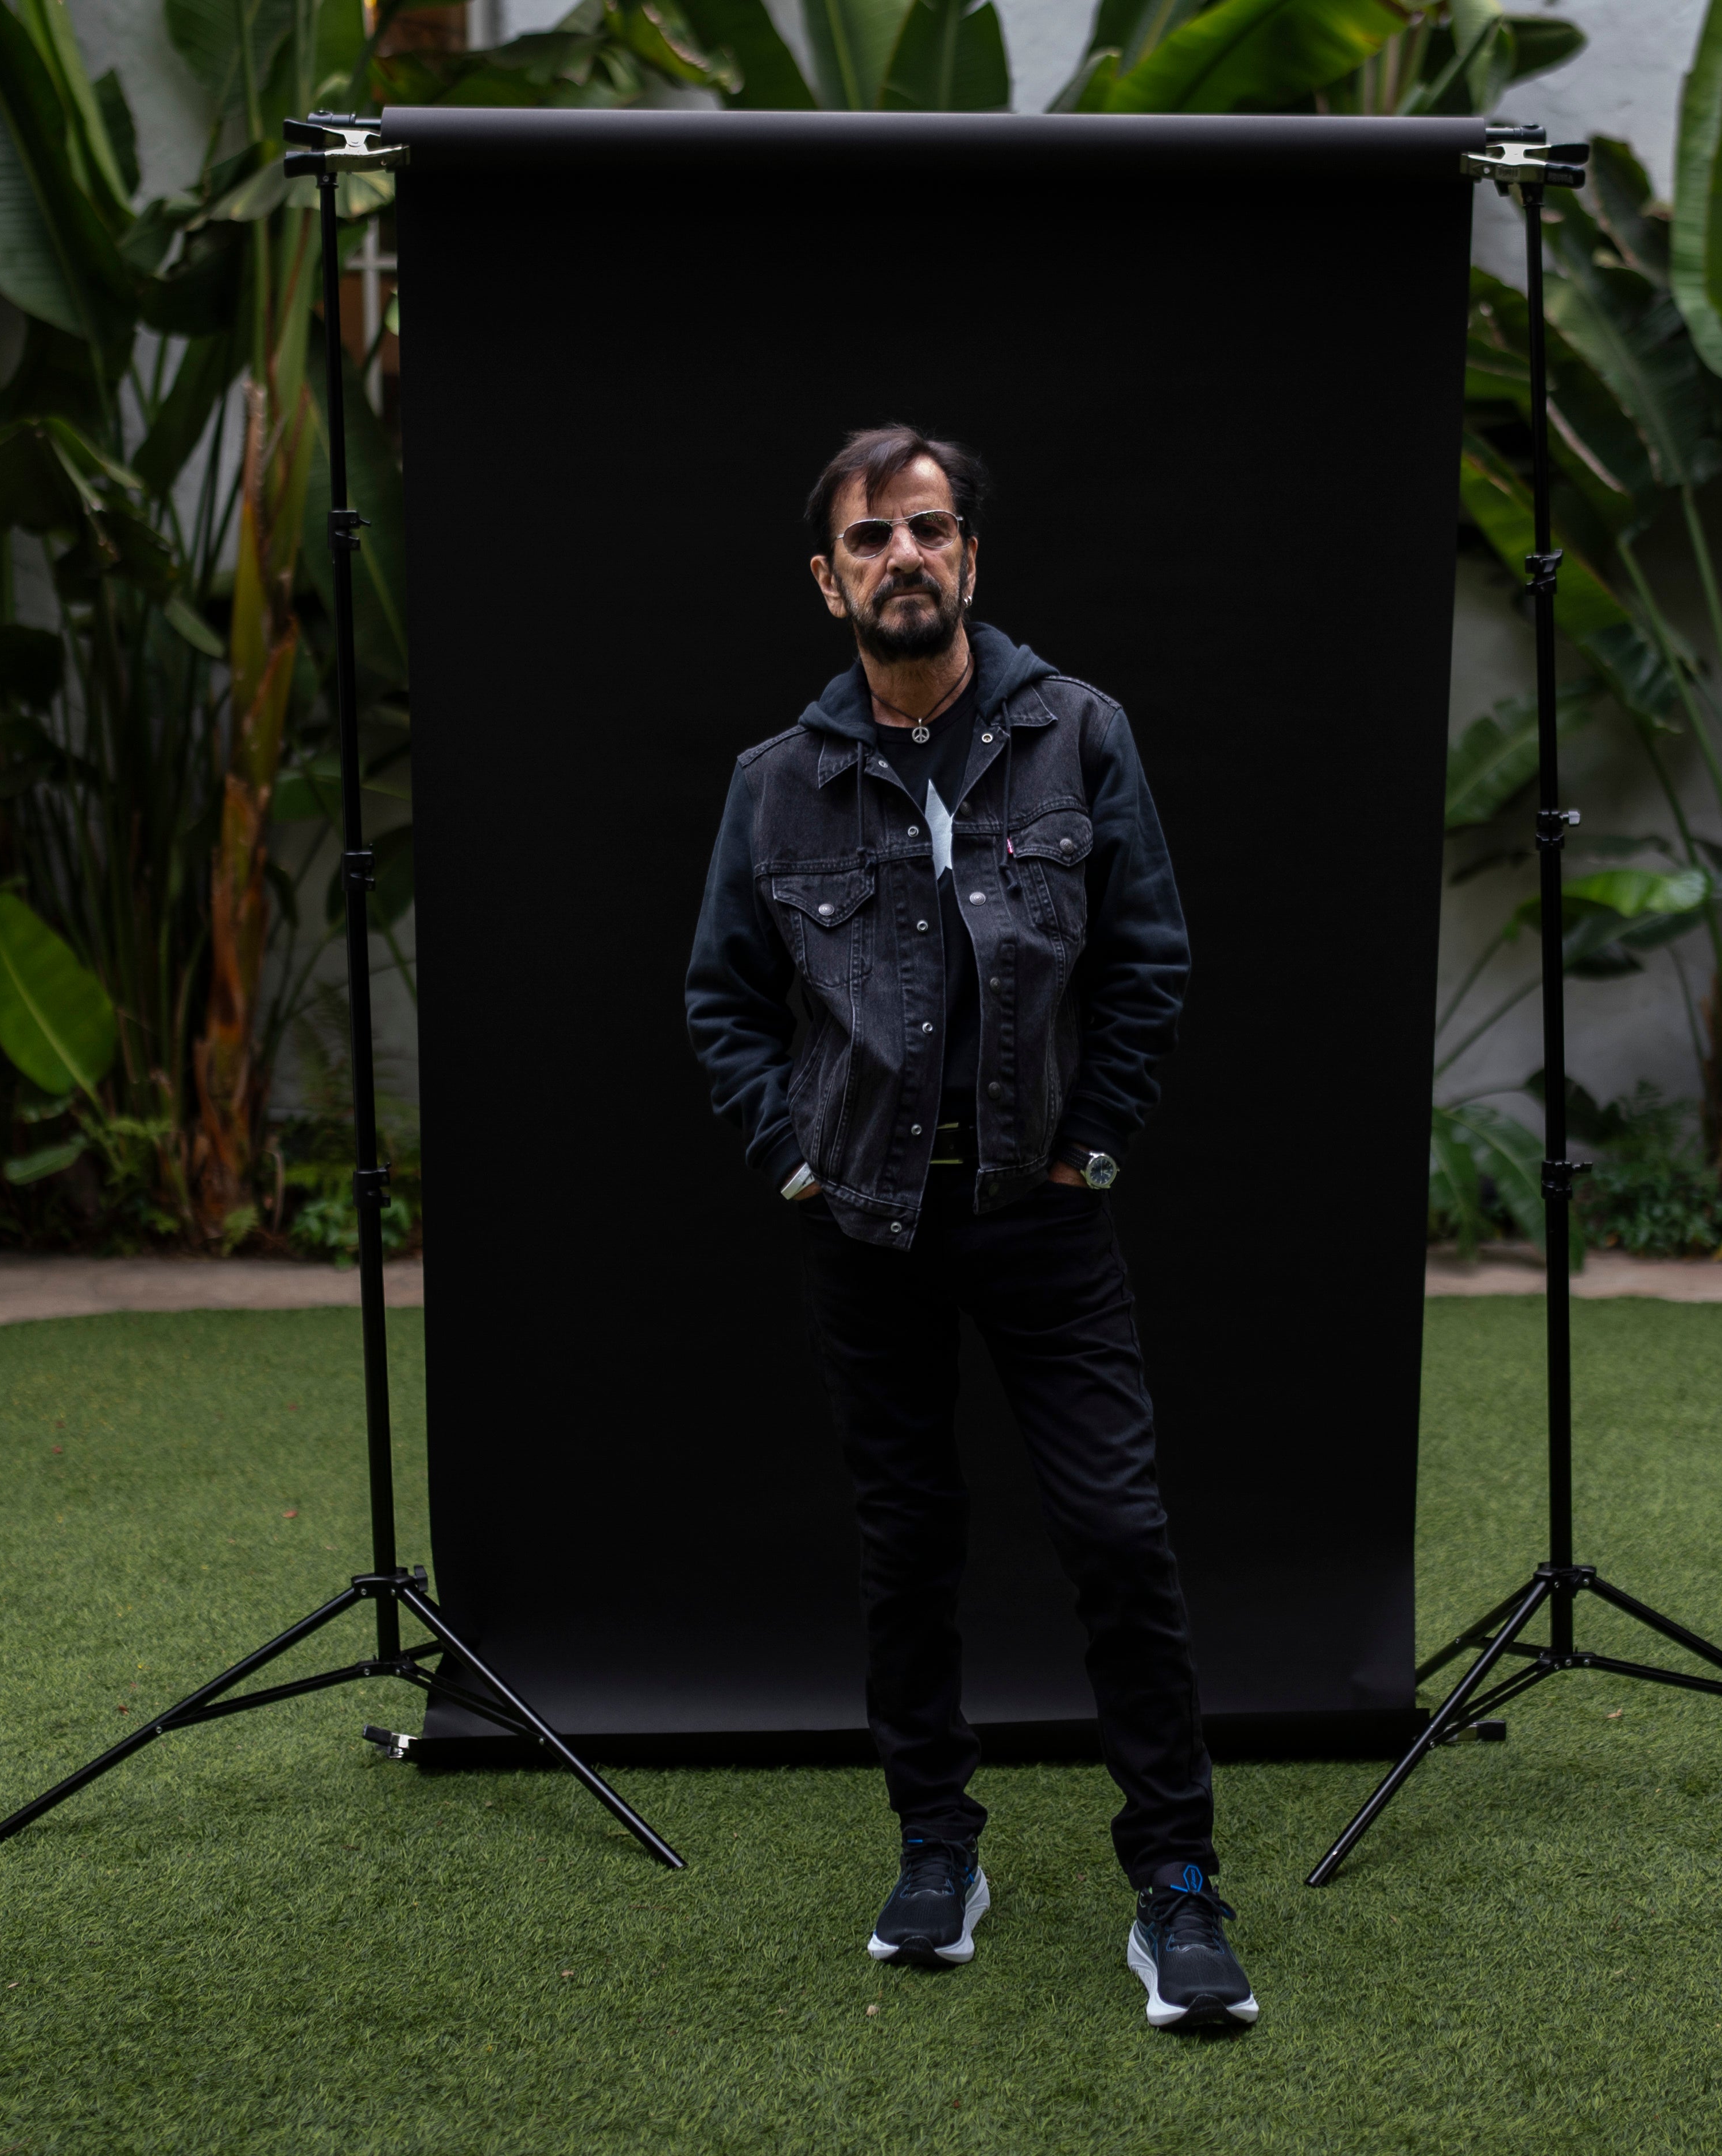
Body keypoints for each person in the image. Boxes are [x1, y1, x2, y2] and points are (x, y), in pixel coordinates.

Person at [683, 424, 1253, 2032]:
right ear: (827, 581)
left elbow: (1147, 960)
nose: (903, 560)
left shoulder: (1077, 735)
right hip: (862, 1228)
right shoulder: (773, 785)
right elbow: (721, 1000)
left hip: (1038, 1220)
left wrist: (1088, 1147)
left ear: (972, 558)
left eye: (927, 530)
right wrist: (793, 1161)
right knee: (905, 1549)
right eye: (870, 541)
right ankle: (937, 1845)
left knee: (1117, 1540)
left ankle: (1180, 1886)